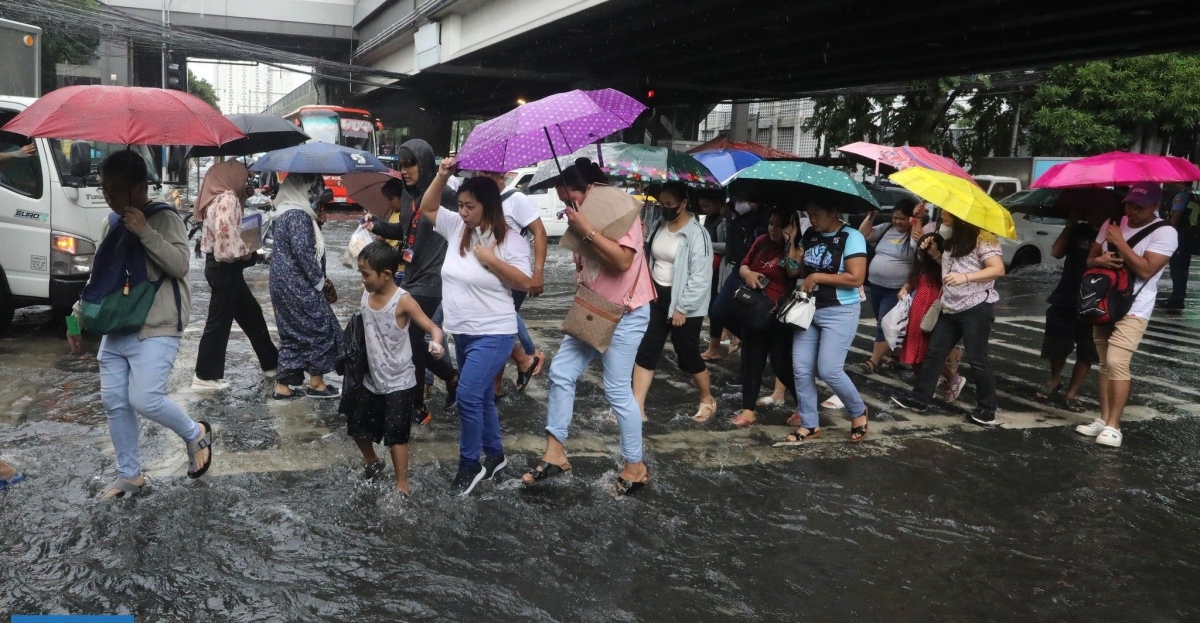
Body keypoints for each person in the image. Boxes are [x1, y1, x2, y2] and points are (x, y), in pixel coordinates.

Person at [67, 151, 211, 498]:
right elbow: (102, 276)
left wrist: (145, 231)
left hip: (156, 325)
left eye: (115, 190)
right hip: (117, 326)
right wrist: (77, 315)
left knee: (145, 398)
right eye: (104, 189)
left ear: (139, 186)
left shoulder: (165, 218)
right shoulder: (111, 222)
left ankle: (196, 435)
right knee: (115, 401)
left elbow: (179, 265)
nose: (109, 197)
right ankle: (129, 474)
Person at [521, 158, 655, 495]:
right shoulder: (586, 214)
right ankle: (555, 453)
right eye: (565, 203)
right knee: (562, 372)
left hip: (625, 312)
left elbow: (624, 261)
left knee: (617, 390)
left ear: (589, 191)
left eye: (570, 200)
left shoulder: (618, 210)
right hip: (593, 309)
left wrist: (588, 231)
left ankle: (635, 466)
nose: (568, 208)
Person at [420, 158, 533, 495]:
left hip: (495, 332)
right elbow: (427, 209)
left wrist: (493, 261)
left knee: (467, 396)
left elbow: (525, 283)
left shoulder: (510, 240)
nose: (463, 211)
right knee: (481, 396)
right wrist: (442, 175)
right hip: (463, 331)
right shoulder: (457, 227)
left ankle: (471, 464)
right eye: (460, 205)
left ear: (489, 206)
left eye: (470, 206)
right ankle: (495, 455)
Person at [364, 140, 460, 420]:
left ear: (425, 164)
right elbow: (403, 230)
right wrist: (376, 224)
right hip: (411, 273)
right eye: (401, 166)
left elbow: (468, 222)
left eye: (410, 165)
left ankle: (417, 405)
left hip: (433, 279)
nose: (404, 171)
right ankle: (450, 378)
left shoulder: (446, 195)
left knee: (409, 336)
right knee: (413, 340)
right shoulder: (407, 196)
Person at [1076, 183, 1177, 447]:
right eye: (1129, 204)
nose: (1131, 211)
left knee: (1117, 360)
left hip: (1135, 307)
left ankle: (1114, 426)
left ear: (1155, 206)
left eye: (1139, 207)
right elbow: (1090, 260)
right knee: (1105, 362)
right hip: (1105, 302)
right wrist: (1100, 261)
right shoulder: (1111, 223)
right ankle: (1103, 418)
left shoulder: (1165, 232)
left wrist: (1121, 242)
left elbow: (1146, 270)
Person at [347, 242, 446, 494]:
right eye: (361, 273)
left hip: (399, 380)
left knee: (396, 435)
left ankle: (402, 483)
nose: (363, 279)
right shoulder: (366, 293)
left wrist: (436, 343)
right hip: (370, 377)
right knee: (357, 426)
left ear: (387, 275)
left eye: (366, 274)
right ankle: (372, 460)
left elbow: (433, 327)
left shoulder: (403, 301)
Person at [891, 212, 1006, 426]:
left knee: (977, 359)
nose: (942, 215)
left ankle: (987, 409)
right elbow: (951, 269)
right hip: (950, 306)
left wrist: (966, 278)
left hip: (976, 306)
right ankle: (920, 398)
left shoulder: (983, 237)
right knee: (934, 353)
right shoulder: (953, 239)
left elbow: (998, 268)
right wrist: (935, 254)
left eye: (947, 213)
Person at [779, 201, 869, 444]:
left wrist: (818, 276)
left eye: (817, 214)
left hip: (840, 311)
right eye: (809, 215)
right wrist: (792, 243)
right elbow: (794, 271)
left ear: (834, 211)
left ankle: (858, 411)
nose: (813, 219)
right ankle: (810, 424)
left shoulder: (852, 237)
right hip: (809, 310)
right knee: (801, 368)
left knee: (829, 369)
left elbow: (856, 277)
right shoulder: (810, 234)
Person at [632, 182, 716, 422]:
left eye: (669, 204)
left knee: (687, 354)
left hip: (685, 303)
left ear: (683, 204)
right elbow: (651, 259)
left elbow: (701, 277)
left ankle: (707, 398)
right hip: (657, 297)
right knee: (647, 350)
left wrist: (682, 308)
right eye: (662, 204)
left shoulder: (697, 234)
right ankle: (637, 407)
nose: (665, 208)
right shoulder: (660, 225)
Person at [191, 160, 279, 391]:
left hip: (219, 268)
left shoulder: (219, 197)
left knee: (251, 315)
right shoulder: (228, 200)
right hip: (225, 269)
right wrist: (249, 254)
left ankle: (271, 363)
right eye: (243, 177)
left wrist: (244, 197)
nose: (245, 181)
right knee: (218, 323)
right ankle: (205, 376)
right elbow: (227, 247)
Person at [269, 174, 342, 400]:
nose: (315, 199)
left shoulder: (286, 212)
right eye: (313, 193)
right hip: (297, 284)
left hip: (283, 284)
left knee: (293, 334)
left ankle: (283, 387)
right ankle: (317, 384)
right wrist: (320, 282)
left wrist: (316, 222)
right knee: (321, 327)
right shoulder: (298, 216)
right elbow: (303, 253)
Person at [477, 169, 548, 394]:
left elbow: (540, 232)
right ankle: (516, 366)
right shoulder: (484, 201)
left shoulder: (516, 199)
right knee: (495, 328)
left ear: (502, 176)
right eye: (480, 173)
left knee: (497, 329)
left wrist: (537, 272)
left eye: (488, 174)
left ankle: (511, 371)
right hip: (491, 277)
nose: (483, 176)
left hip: (513, 277)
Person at [1035, 208, 1109, 412]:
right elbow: (1056, 252)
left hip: (1096, 298)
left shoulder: (1114, 233)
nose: (1096, 213)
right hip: (1066, 294)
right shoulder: (1078, 230)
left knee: (1087, 350)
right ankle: (1054, 380)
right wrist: (1071, 223)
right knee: (1057, 341)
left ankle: (1072, 393)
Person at [729, 207, 796, 427]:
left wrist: (790, 244)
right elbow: (743, 264)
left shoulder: (793, 248)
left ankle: (803, 406)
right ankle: (748, 411)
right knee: (752, 360)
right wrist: (748, 273)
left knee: (780, 364)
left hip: (776, 314)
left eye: (778, 224)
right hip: (753, 310)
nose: (772, 229)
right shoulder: (760, 242)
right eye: (770, 223)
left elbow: (794, 271)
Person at [896, 233, 964, 402]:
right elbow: (912, 278)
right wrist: (905, 288)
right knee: (913, 349)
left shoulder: (942, 265)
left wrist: (935, 256)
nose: (923, 251)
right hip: (918, 308)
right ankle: (925, 385)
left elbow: (949, 279)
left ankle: (951, 378)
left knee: (929, 353)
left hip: (932, 309)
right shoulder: (920, 263)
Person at [852, 199, 917, 375]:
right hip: (875, 285)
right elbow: (863, 234)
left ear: (910, 219)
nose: (897, 222)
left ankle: (873, 361)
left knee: (884, 324)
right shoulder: (887, 228)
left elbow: (919, 261)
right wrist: (871, 216)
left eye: (902, 219)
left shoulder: (914, 235)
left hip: (896, 289)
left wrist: (917, 225)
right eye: (895, 217)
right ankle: (895, 355)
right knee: (888, 323)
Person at [697, 189, 730, 361]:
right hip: (707, 268)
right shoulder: (708, 220)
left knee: (714, 307)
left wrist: (707, 244)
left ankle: (714, 347)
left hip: (719, 270)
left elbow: (727, 246)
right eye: (702, 206)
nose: (705, 209)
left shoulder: (723, 222)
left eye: (707, 206)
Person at [1163, 182, 1196, 311]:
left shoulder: (1181, 196)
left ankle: (1177, 299)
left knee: (1177, 268)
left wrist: (1168, 232)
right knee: (1183, 268)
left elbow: (1175, 218)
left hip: (1179, 235)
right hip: (1190, 235)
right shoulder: (1193, 194)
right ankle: (1178, 296)